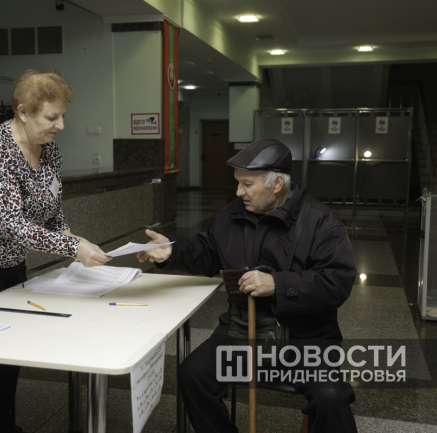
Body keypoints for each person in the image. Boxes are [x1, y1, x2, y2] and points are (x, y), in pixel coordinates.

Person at [138, 138, 358, 433]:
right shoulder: (232, 215)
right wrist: (172, 250)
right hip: (241, 329)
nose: (239, 191)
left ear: (277, 183)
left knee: (331, 396)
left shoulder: (322, 222)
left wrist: (278, 284)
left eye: (247, 184)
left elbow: (337, 282)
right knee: (193, 375)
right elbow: (209, 251)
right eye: (238, 183)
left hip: (307, 336)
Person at [0, 70, 111, 433]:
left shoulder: (48, 150)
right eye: (52, 117)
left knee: (11, 338)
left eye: (63, 116)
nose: (61, 125)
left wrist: (66, 233)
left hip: (11, 256)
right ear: (23, 112)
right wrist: (72, 247)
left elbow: (51, 205)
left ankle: (6, 424)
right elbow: (11, 224)